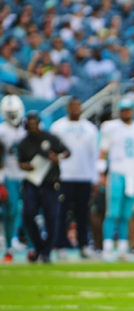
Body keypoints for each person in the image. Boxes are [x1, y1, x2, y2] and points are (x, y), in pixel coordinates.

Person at [98, 98, 134, 261]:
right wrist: (100, 173)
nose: (126, 113)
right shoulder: (111, 127)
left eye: (128, 110)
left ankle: (122, 248)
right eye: (123, 110)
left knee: (126, 214)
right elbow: (103, 151)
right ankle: (107, 247)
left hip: (132, 176)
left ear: (132, 111)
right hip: (116, 173)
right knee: (112, 212)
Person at [18, 111, 70, 263]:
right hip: (32, 183)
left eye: (35, 123)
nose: (33, 127)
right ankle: (39, 246)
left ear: (39, 123)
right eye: (30, 124)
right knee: (28, 214)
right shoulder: (24, 143)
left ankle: (46, 252)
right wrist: (25, 166)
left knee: (52, 217)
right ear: (26, 125)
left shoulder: (50, 138)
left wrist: (57, 158)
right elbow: (21, 162)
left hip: (50, 183)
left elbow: (67, 152)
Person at [50, 98, 98, 259]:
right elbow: (52, 152)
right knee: (62, 213)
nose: (75, 108)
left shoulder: (90, 129)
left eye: (78, 105)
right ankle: (60, 245)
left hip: (84, 176)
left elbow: (94, 155)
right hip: (64, 176)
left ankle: (84, 245)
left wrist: (95, 178)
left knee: (82, 213)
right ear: (67, 108)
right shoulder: (58, 127)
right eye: (72, 106)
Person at [0, 95, 27, 262]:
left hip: (29, 175)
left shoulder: (29, 128)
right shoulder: (2, 130)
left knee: (28, 210)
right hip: (9, 174)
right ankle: (10, 242)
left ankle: (31, 246)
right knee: (11, 210)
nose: (12, 116)